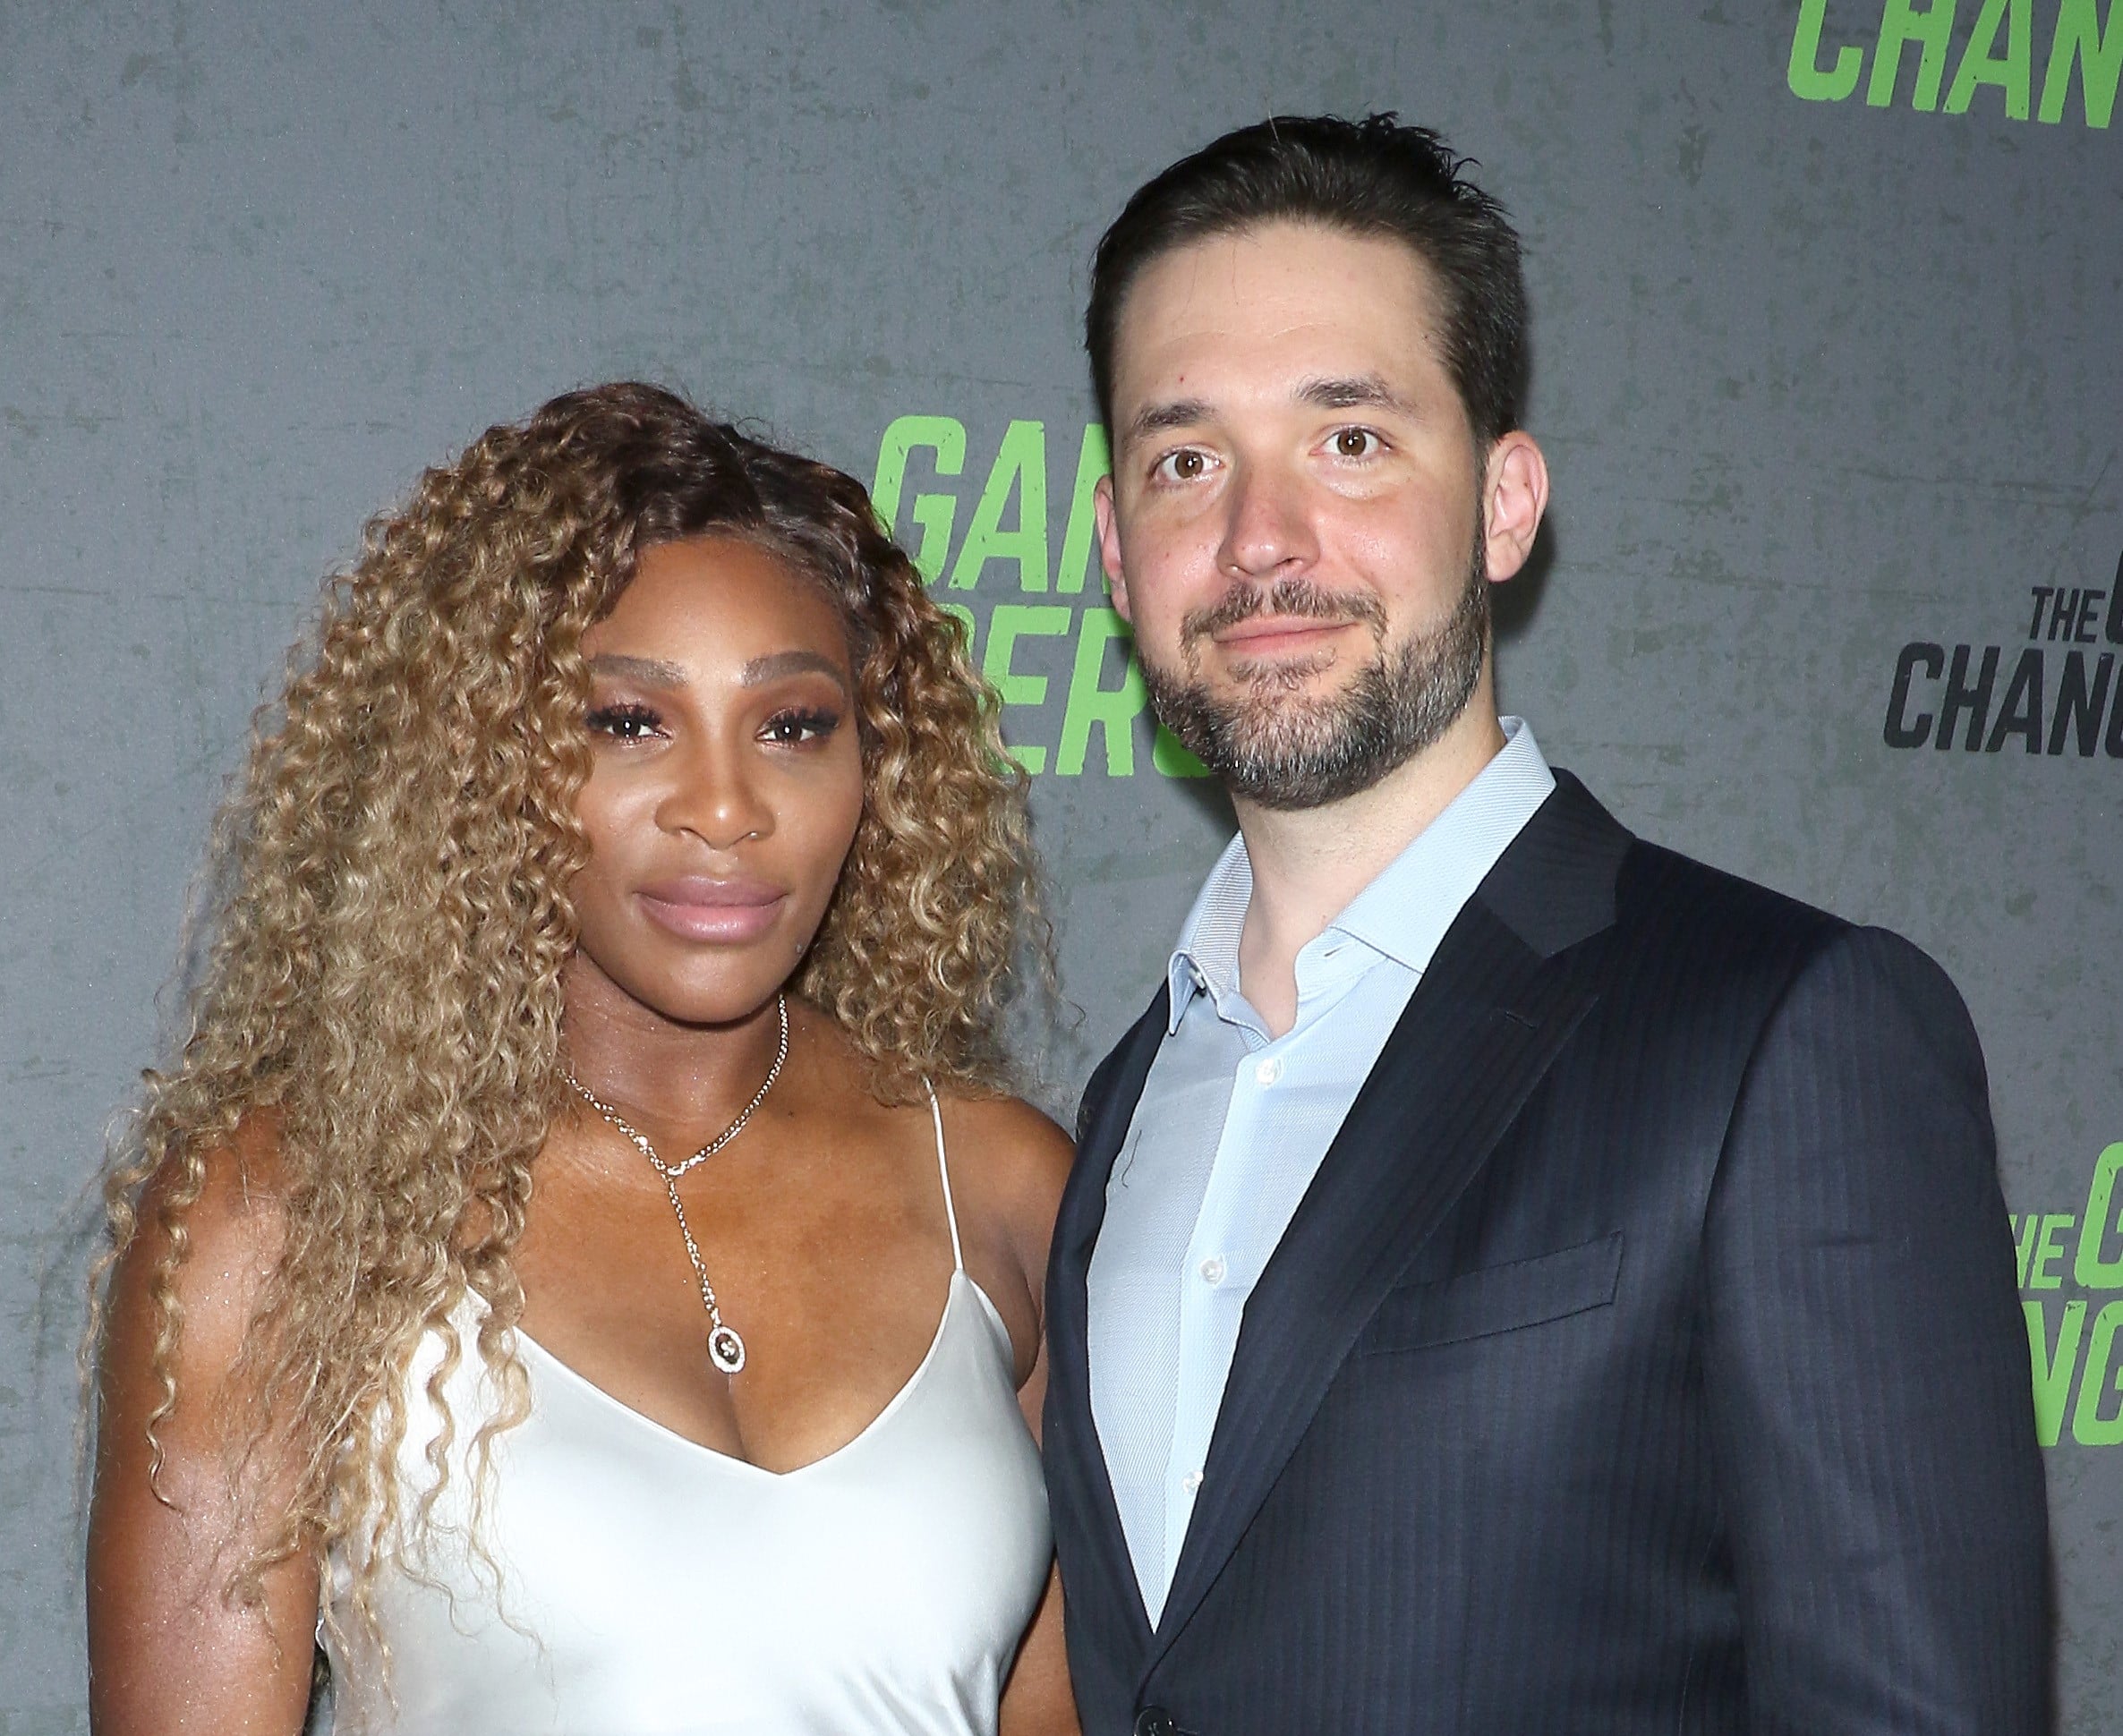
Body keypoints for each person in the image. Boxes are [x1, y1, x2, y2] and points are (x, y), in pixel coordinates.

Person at [1042, 115, 2051, 1734]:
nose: (1260, 538)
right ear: (1113, 550)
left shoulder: (1782, 1036)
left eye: (1350, 439)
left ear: (1505, 504)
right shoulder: (1124, 1108)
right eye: (1187, 461)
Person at [87, 382, 1078, 1735]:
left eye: (793, 725)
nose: (724, 809)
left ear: (879, 766)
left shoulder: (1004, 1190)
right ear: (485, 761)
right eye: (629, 723)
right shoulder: (281, 1218)